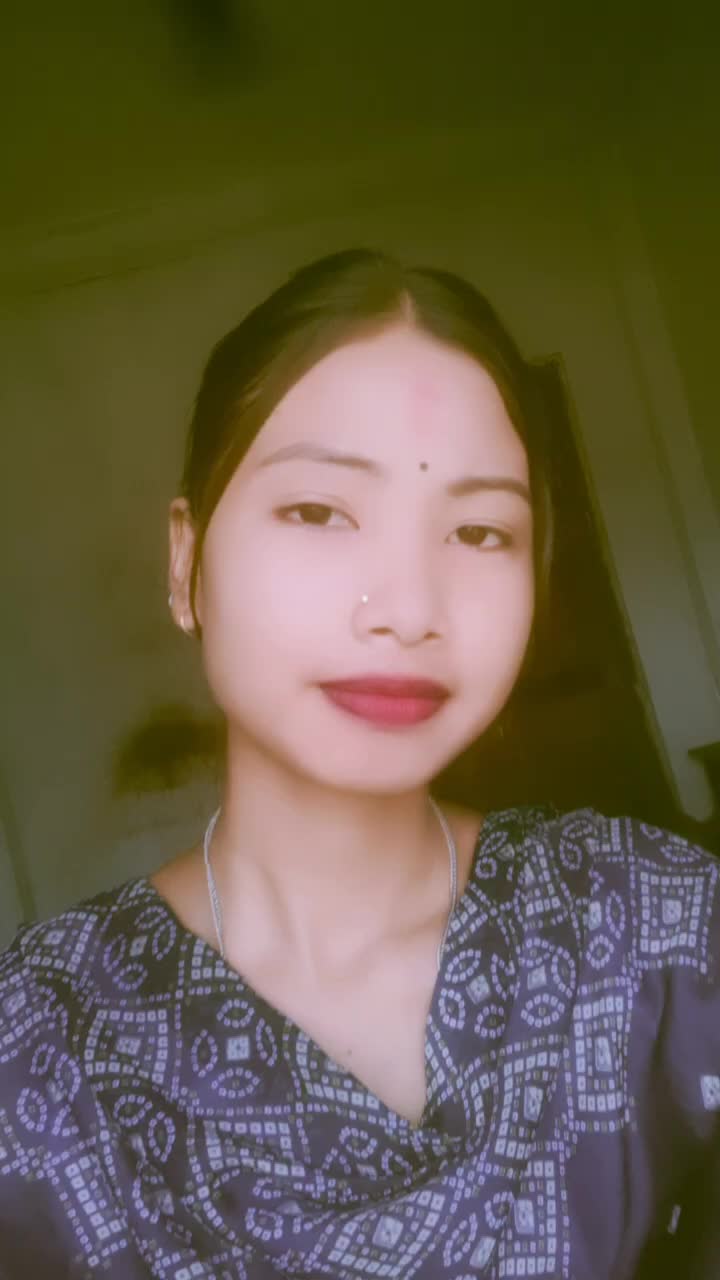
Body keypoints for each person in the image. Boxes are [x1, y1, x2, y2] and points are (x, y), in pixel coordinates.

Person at [0, 248, 717, 1279]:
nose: (410, 609)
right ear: (185, 564)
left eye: (480, 530)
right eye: (319, 511)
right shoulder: (43, 1040)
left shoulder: (652, 921)